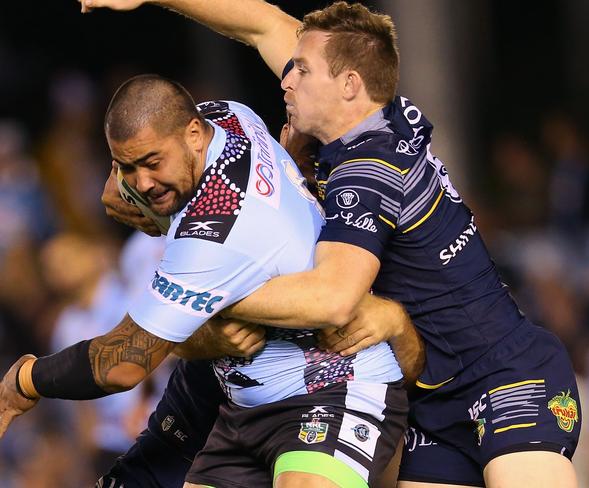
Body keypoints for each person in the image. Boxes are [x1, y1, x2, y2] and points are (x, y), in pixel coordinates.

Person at [83, 1, 583, 487]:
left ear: (348, 85)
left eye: (301, 70)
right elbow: (263, 23)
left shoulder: (368, 170)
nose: (286, 79)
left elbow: (332, 298)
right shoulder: (367, 119)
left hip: (503, 372)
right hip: (432, 394)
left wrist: (198, 295)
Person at [0, 74, 422, 488]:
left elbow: (120, 364)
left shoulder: (211, 234)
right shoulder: (231, 116)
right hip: (244, 406)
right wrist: (123, 185)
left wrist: (26, 381)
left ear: (194, 135)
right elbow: (131, 174)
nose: (142, 183)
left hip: (332, 391)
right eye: (127, 167)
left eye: (152, 163)